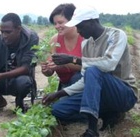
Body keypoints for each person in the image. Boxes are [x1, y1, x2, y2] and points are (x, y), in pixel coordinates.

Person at [42, 6, 138, 137]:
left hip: (122, 94)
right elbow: (85, 79)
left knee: (93, 70)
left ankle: (92, 130)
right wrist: (58, 93)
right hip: (99, 95)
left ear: (91, 22)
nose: (78, 30)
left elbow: (109, 63)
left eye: (80, 26)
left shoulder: (116, 35)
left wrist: (73, 59)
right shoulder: (86, 44)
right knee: (58, 109)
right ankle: (107, 113)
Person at [42, 3, 83, 90]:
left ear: (72, 20)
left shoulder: (84, 38)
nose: (57, 26)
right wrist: (47, 69)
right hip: (64, 85)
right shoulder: (54, 40)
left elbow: (88, 66)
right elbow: (50, 72)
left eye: (60, 22)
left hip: (83, 85)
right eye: (55, 23)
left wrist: (64, 62)